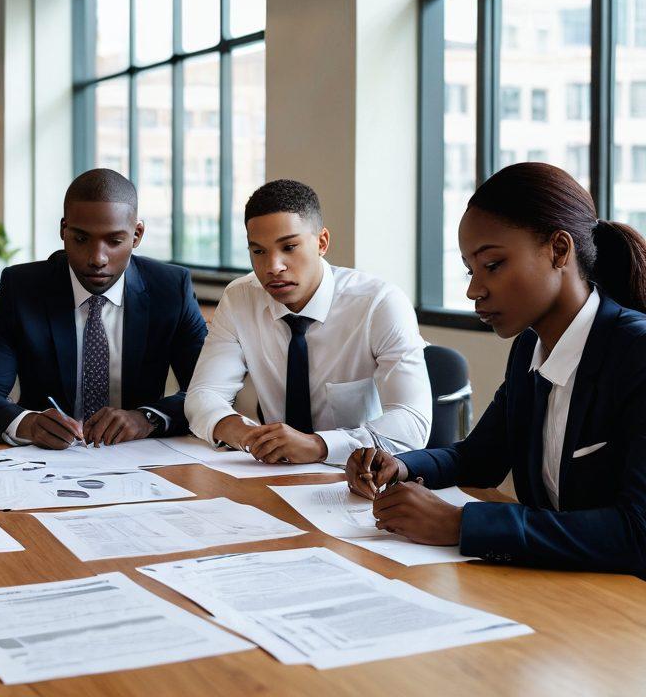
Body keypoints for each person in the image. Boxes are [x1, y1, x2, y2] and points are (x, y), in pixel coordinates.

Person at [346, 162, 646, 575]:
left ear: (559, 250)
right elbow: (481, 457)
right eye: (471, 270)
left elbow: (637, 533)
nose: (474, 290)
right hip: (561, 588)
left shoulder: (636, 352)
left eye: (493, 265)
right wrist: (403, 465)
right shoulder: (530, 348)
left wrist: (460, 523)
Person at [185, 178, 431, 465]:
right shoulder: (240, 297)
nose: (273, 267)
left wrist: (318, 445)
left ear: (321, 242)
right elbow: (203, 395)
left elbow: (412, 423)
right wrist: (249, 436)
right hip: (272, 474)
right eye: (259, 251)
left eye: (289, 247)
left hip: (359, 475)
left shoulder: (379, 303)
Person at [0, 168, 207, 448]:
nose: (97, 258)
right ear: (64, 230)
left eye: (114, 241)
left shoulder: (170, 289)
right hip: (45, 463)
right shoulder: (23, 288)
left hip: (141, 459)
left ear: (136, 235)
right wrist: (28, 423)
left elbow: (208, 392)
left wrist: (146, 418)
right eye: (80, 239)